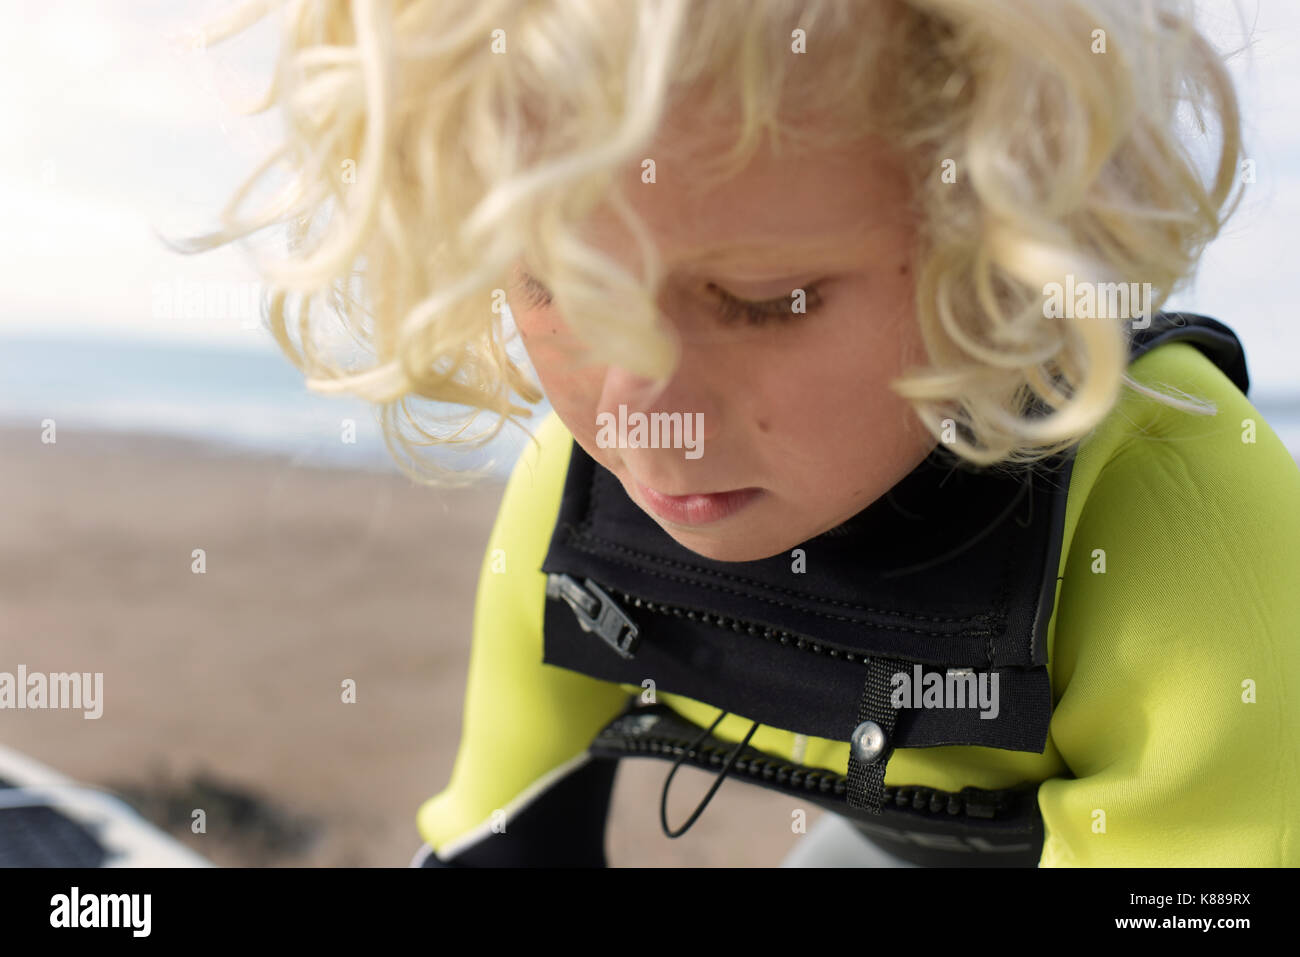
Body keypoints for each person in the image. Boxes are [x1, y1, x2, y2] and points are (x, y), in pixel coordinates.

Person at [196, 0, 1299, 866]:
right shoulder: (576, 497)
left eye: (765, 298)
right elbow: (498, 842)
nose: (637, 424)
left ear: (1005, 249)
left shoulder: (1184, 528)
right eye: (562, 293)